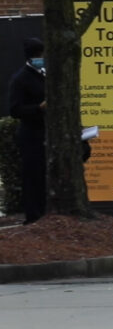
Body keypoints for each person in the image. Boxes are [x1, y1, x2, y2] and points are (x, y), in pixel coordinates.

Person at [8, 37, 46, 224]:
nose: (40, 58)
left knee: (45, 175)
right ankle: (33, 215)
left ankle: (45, 211)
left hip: (46, 132)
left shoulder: (45, 75)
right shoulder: (21, 79)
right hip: (31, 134)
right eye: (37, 55)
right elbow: (15, 110)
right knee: (33, 175)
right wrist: (38, 108)